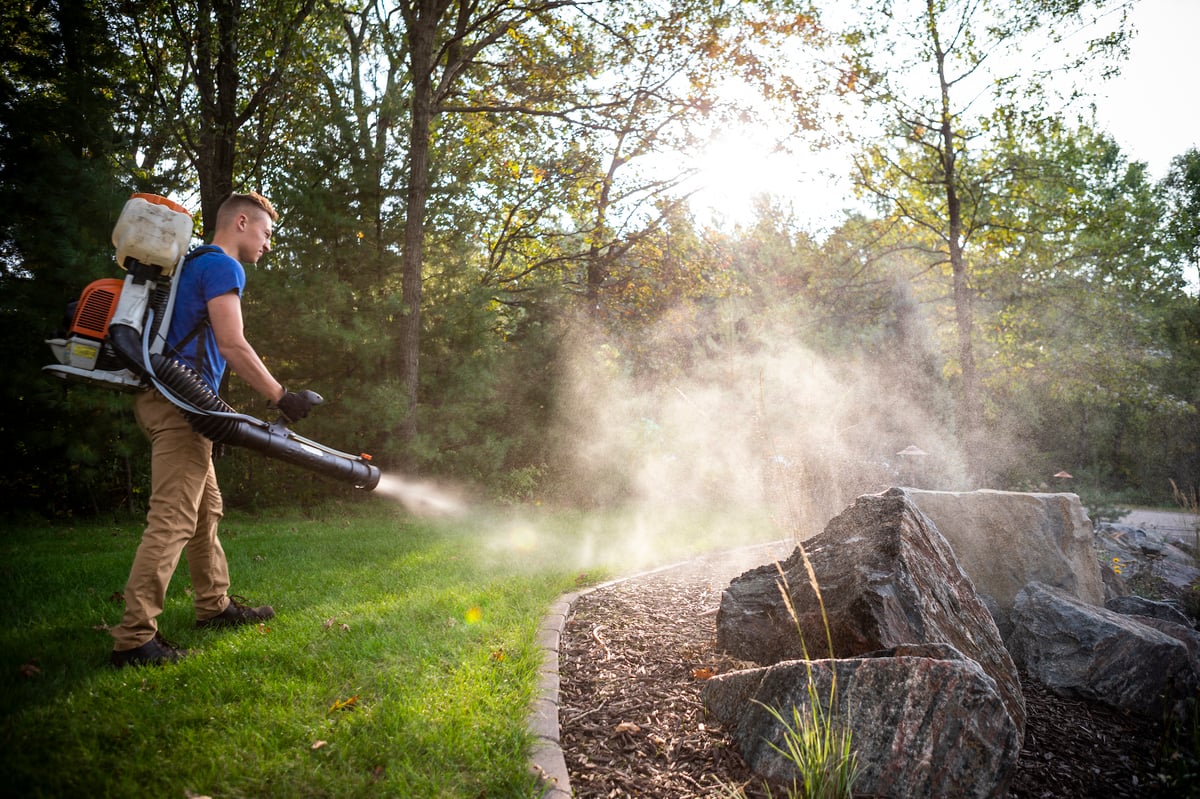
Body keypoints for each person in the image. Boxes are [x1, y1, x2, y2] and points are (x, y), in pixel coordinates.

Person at [110, 191, 316, 668]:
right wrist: (282, 395)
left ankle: (214, 606)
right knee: (173, 519)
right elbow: (232, 344)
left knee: (206, 512)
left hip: (175, 403)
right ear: (241, 222)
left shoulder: (193, 264)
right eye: (265, 233)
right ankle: (134, 638)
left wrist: (215, 415)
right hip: (179, 404)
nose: (268, 244)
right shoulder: (223, 266)